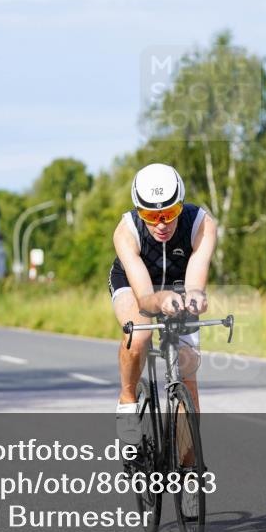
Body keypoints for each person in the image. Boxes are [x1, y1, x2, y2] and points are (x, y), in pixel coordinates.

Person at [108, 163, 216, 445]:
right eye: (150, 215)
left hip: (179, 283)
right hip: (134, 284)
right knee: (140, 333)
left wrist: (195, 297)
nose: (161, 224)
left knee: (188, 377)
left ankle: (188, 466)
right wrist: (160, 299)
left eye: (169, 214)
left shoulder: (201, 224)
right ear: (138, 210)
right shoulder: (126, 231)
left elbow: (195, 281)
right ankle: (128, 400)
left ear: (181, 205)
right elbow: (145, 298)